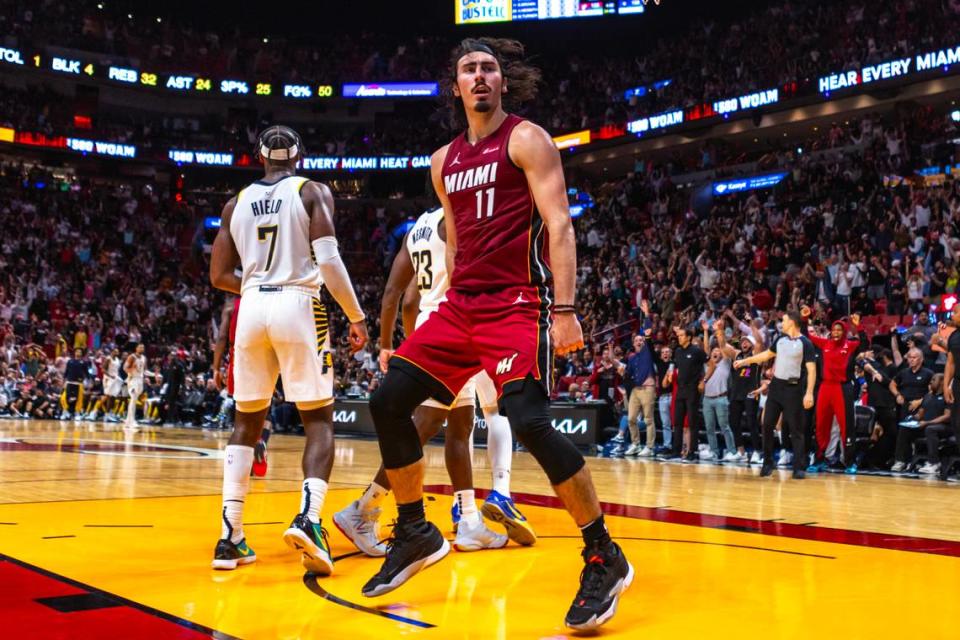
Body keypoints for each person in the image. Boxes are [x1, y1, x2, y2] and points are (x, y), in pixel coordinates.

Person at [362, 39, 632, 631]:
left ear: (502, 82)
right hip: (460, 307)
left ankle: (602, 555)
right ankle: (414, 529)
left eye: (489, 68)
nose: (479, 77)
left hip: (517, 303)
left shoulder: (527, 139)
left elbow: (559, 223)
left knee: (530, 421)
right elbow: (456, 243)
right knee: (387, 401)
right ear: (455, 85)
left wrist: (564, 309)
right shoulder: (443, 162)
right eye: (468, 69)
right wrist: (443, 312)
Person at [208, 125, 369, 572]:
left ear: (260, 156)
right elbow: (330, 261)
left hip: (252, 305)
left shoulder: (234, 204)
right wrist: (355, 315)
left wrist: (259, 284)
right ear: (298, 155)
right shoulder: (312, 191)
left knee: (246, 424)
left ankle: (230, 536)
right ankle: (310, 518)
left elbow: (219, 275)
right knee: (318, 419)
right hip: (299, 302)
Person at [335, 207, 524, 557]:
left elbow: (400, 296)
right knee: (425, 425)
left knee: (461, 423)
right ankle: (363, 508)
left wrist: (391, 345)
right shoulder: (454, 221)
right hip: (452, 327)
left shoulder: (418, 226)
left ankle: (468, 522)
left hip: (429, 325)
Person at [734, 311, 817, 479]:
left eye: (785, 320)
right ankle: (768, 463)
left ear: (792, 322)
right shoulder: (780, 339)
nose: (782, 323)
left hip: (794, 389)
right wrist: (744, 361)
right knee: (766, 424)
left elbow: (812, 370)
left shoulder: (805, 343)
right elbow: (766, 355)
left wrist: (809, 393)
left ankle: (799, 467)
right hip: (776, 388)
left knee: (796, 430)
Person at [213, 297, 270, 477]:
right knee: (264, 416)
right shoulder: (265, 300)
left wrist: (215, 367)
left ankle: (240, 470)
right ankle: (260, 440)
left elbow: (222, 337)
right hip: (264, 357)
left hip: (239, 356)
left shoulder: (230, 305)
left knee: (241, 421)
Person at [803, 312, 864, 472]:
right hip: (825, 388)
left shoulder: (849, 345)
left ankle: (850, 462)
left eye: (839, 330)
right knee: (821, 424)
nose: (836, 332)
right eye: (834, 330)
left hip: (842, 388)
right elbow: (808, 335)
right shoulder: (825, 344)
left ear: (844, 332)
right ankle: (819, 460)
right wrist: (806, 319)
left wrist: (856, 326)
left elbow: (861, 341)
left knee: (846, 426)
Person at [717, 326, 763, 463]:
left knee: (752, 423)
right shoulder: (737, 354)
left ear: (752, 344)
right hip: (736, 394)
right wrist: (719, 331)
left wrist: (752, 324)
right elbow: (723, 346)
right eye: (742, 341)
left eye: (747, 341)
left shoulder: (756, 356)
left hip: (751, 393)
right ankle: (741, 451)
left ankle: (757, 452)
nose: (744, 343)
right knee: (733, 422)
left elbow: (760, 342)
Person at [888, 348, 934, 472]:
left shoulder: (928, 373)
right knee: (902, 431)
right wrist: (897, 395)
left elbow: (933, 390)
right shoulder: (903, 372)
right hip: (904, 406)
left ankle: (917, 460)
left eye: (914, 357)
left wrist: (920, 401)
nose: (911, 360)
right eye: (909, 357)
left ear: (921, 359)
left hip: (921, 407)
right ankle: (901, 461)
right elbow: (892, 384)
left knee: (909, 430)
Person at [892, 374, 949, 472]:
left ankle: (934, 463)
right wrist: (913, 418)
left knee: (931, 429)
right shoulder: (928, 396)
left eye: (934, 380)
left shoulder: (948, 396)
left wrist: (927, 422)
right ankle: (901, 461)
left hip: (945, 428)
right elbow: (920, 413)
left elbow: (947, 416)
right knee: (904, 427)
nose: (930, 382)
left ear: (942, 382)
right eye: (931, 379)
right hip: (926, 425)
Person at [669, 325, 707, 460]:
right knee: (677, 422)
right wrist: (669, 374)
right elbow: (675, 366)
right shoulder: (678, 351)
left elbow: (711, 364)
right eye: (678, 336)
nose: (679, 338)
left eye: (681, 336)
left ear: (689, 337)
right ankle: (676, 451)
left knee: (692, 422)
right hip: (680, 390)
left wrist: (704, 381)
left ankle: (692, 452)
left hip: (692, 390)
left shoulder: (696, 351)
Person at [621, 333, 657, 457]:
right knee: (630, 418)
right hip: (636, 389)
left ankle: (650, 447)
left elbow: (648, 339)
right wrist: (623, 373)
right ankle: (636, 445)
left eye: (641, 340)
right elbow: (629, 374)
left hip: (648, 388)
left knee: (648, 419)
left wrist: (647, 317)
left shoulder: (647, 353)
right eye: (636, 340)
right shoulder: (631, 358)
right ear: (633, 343)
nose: (639, 341)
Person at [122, 343, 154, 431]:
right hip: (132, 380)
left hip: (140, 381)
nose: (142, 348)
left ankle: (128, 421)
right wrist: (132, 369)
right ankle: (132, 421)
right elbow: (125, 368)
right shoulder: (131, 357)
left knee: (134, 400)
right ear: (136, 348)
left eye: (143, 347)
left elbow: (145, 371)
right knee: (133, 399)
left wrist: (155, 374)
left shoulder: (144, 358)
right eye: (140, 347)